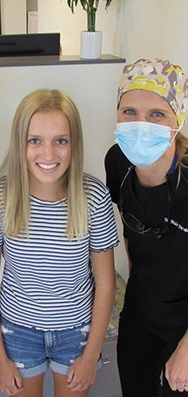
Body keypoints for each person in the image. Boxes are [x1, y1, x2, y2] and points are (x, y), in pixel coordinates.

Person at [0, 89, 119, 397]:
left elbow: (106, 283)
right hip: (18, 331)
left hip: (76, 331)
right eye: (35, 140)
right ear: (20, 143)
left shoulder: (94, 197)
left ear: (74, 144)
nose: (49, 154)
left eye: (61, 141)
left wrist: (92, 352)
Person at [105, 58, 188, 396]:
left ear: (177, 120)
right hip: (141, 312)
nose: (141, 125)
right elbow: (130, 229)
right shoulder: (118, 161)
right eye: (129, 112)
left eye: (157, 114)